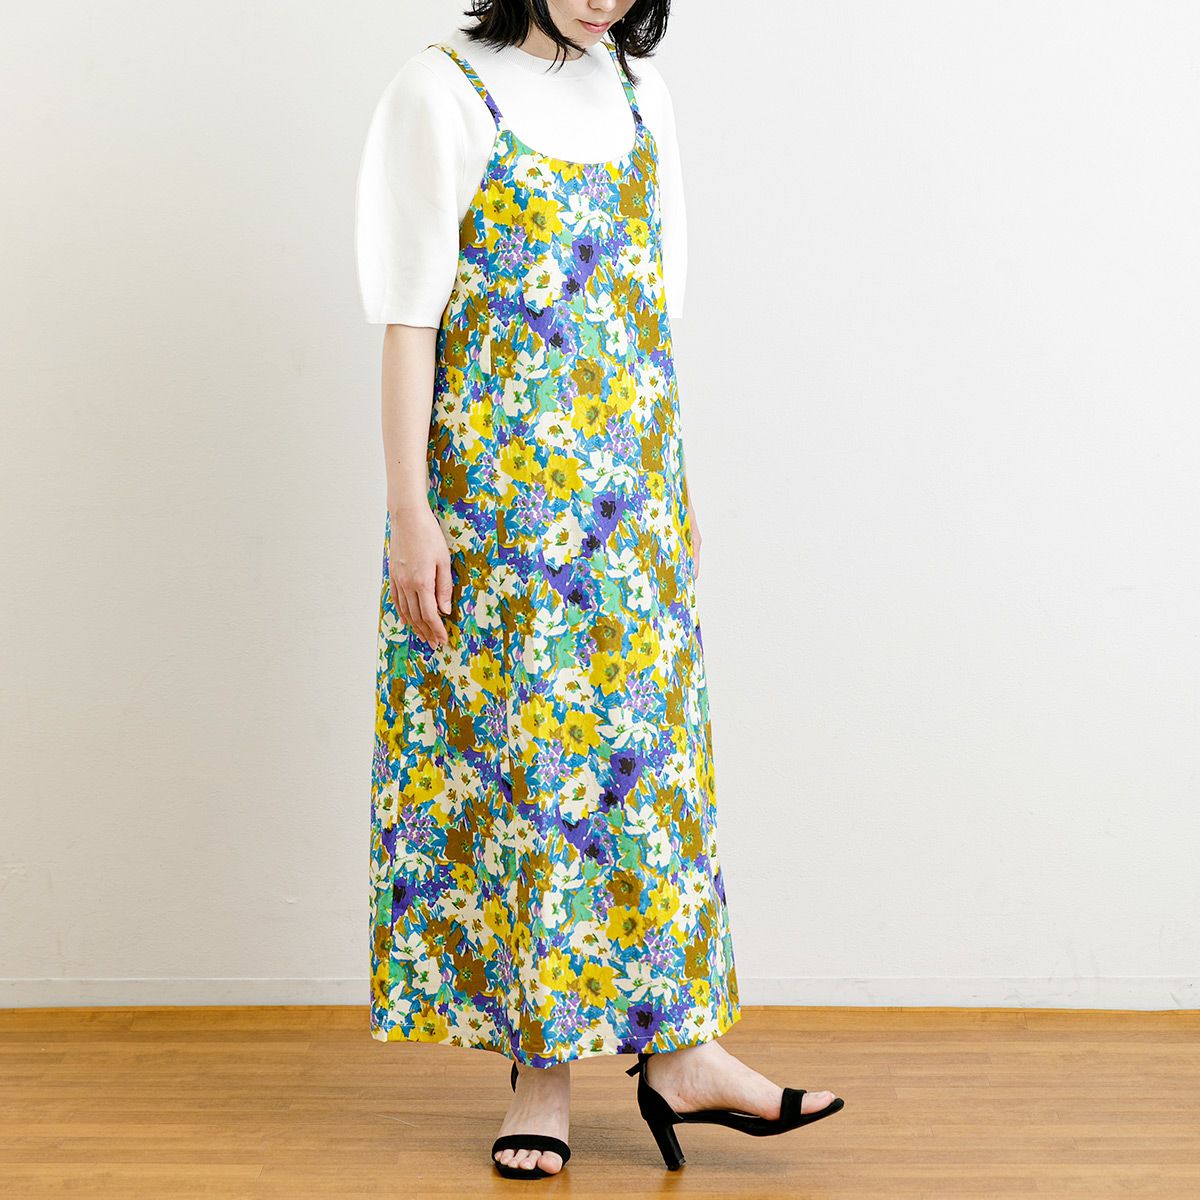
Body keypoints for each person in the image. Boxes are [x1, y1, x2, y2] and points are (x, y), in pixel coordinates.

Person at [355, 0, 845, 1179]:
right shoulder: (443, 92)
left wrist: (665, 491)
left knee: (651, 782)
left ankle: (685, 1053)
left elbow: (649, 316)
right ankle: (541, 1076)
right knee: (531, 785)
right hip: (500, 512)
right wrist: (412, 512)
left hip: (630, 511)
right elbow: (410, 320)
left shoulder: (637, 94)